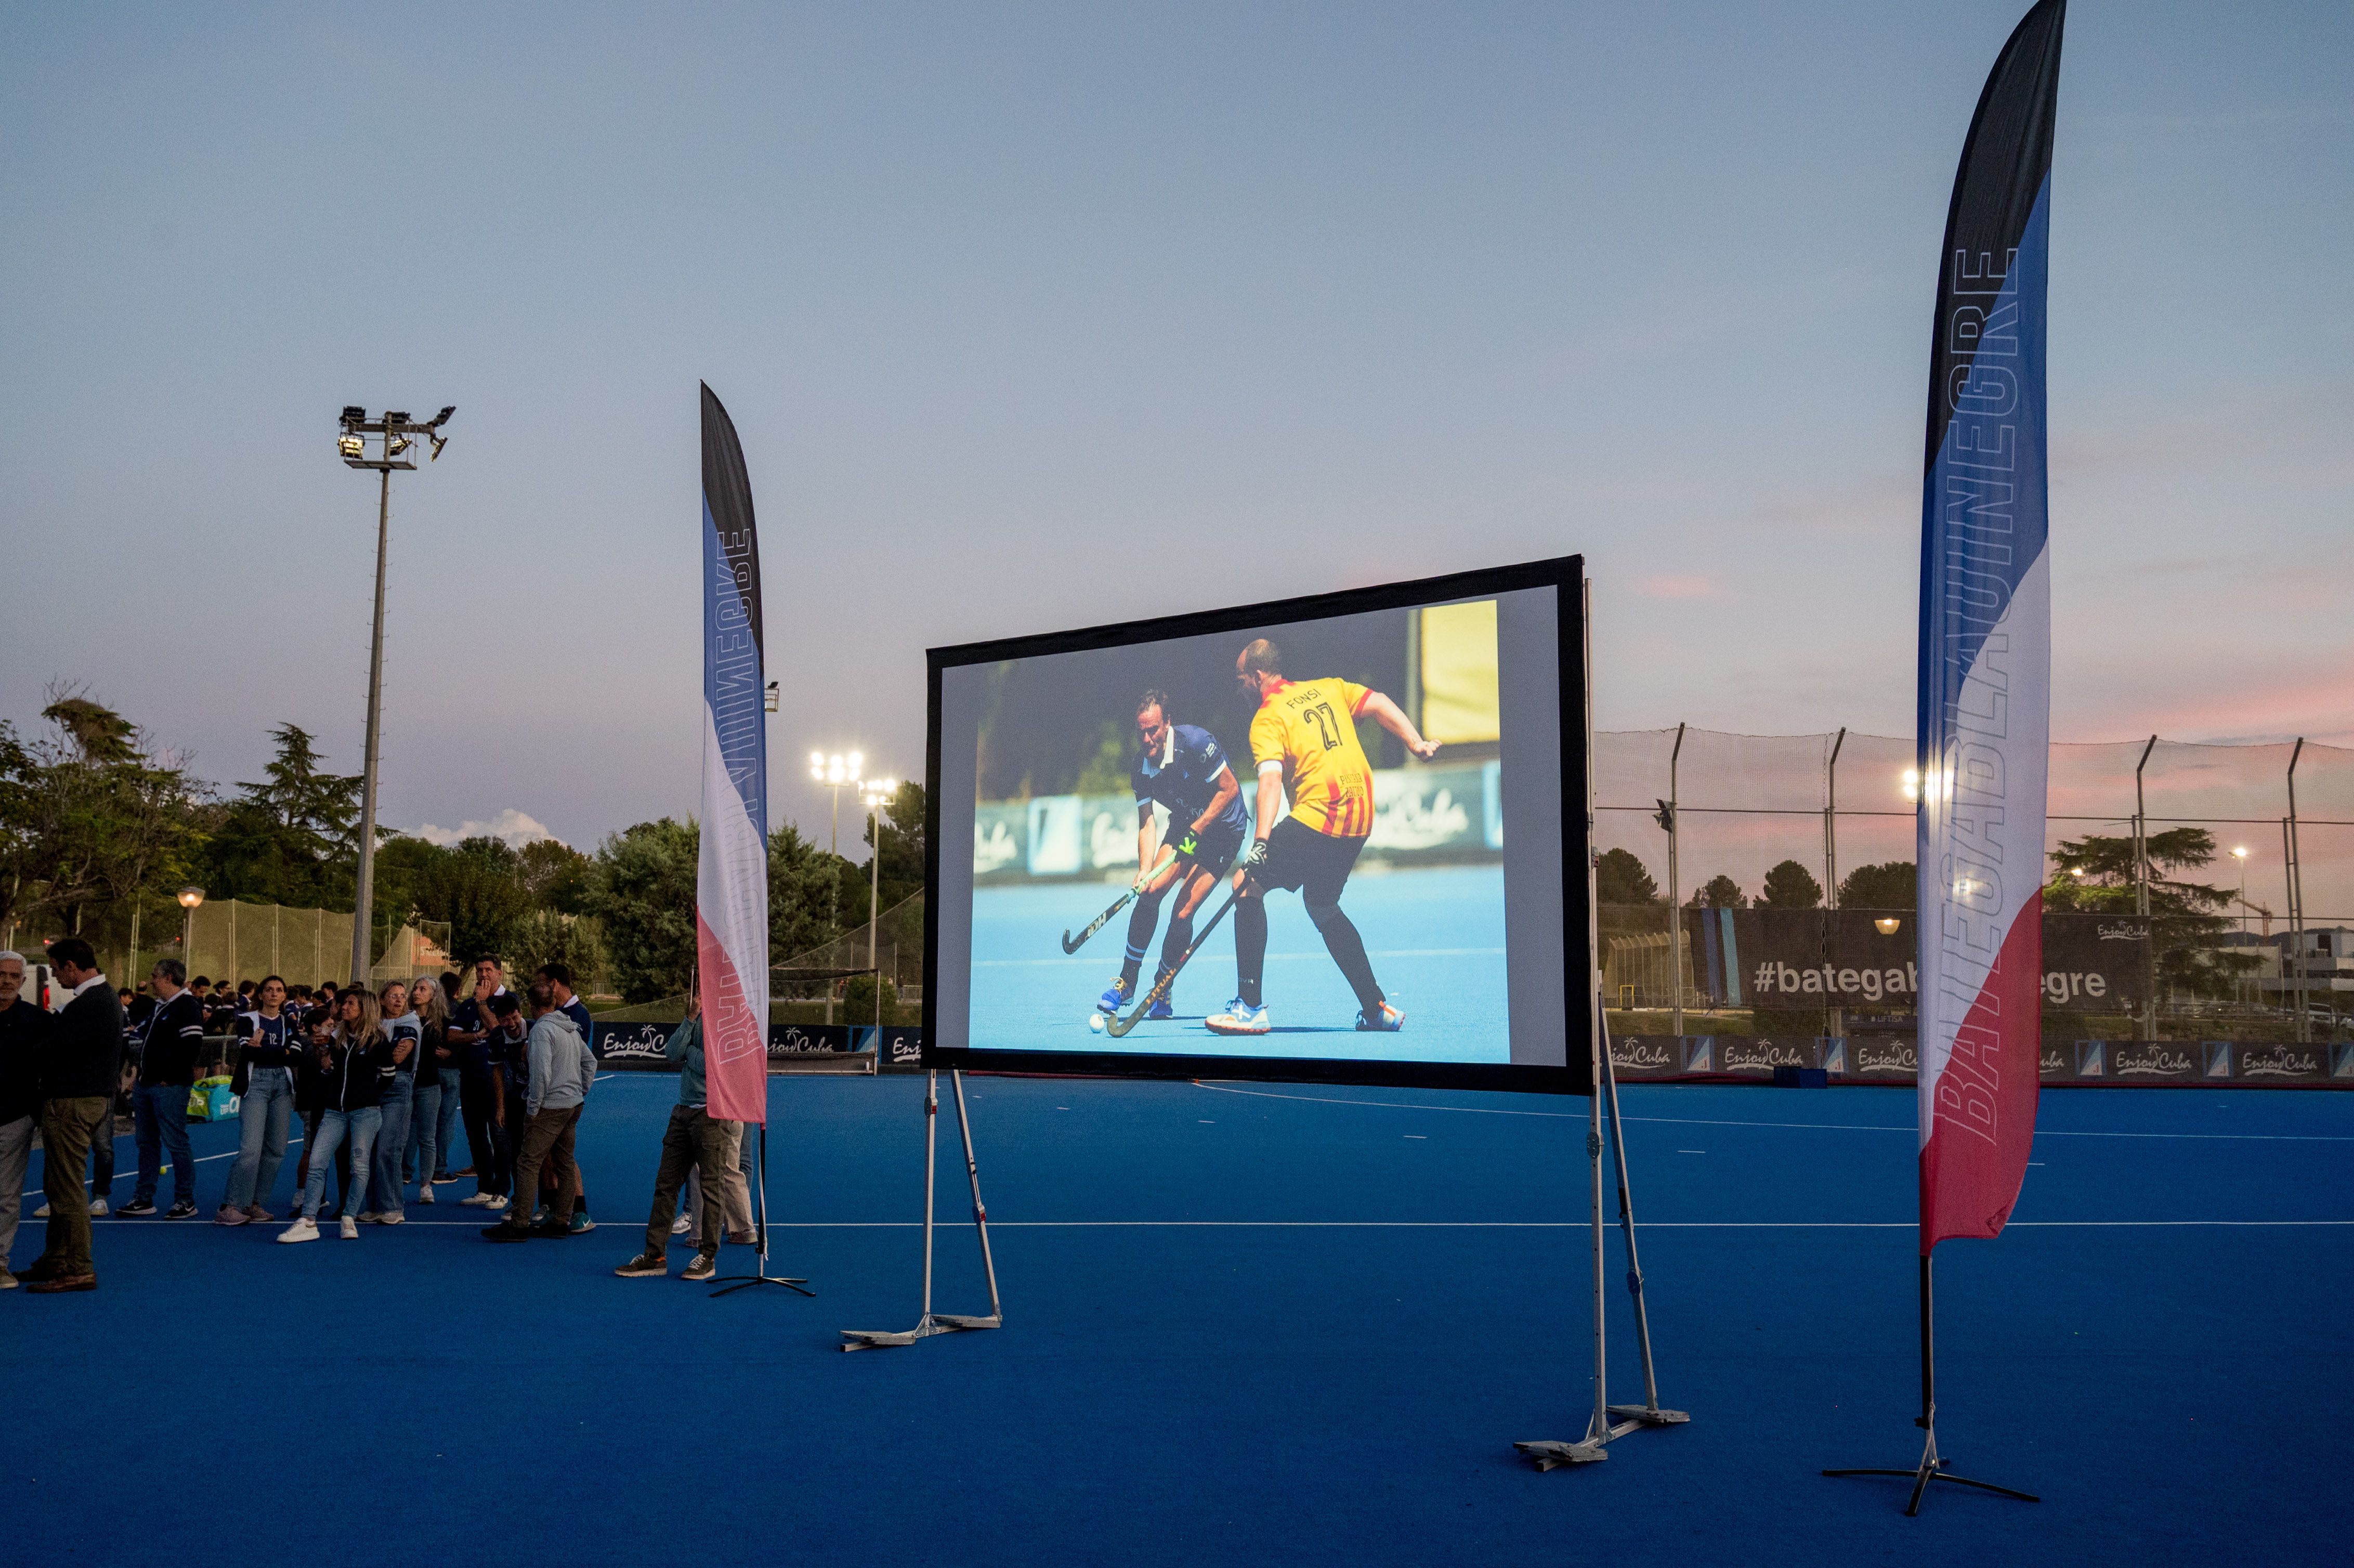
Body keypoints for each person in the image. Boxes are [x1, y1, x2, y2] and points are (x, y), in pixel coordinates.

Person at [1207, 638, 1438, 1037]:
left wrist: (1260, 842)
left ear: (1257, 677)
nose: (1239, 688)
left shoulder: (1267, 717)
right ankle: (1376, 1008)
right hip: (1361, 813)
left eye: (1240, 679)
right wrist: (1414, 742)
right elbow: (1380, 702)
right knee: (1322, 904)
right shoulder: (1329, 687)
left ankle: (1249, 1007)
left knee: (1246, 885)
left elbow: (1270, 781)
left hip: (1322, 812)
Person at [1095, 688, 1248, 1021]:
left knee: (1181, 912)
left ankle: (1162, 987)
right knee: (1149, 891)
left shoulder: (1195, 744)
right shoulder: (1140, 767)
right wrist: (1143, 869)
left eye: (1153, 730)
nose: (1147, 738)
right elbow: (1146, 823)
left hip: (1223, 828)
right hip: (1185, 824)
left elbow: (1230, 789)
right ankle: (1127, 983)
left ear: (1167, 723)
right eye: (1141, 731)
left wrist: (1200, 828)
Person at [615, 990, 742, 1282]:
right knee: (665, 1185)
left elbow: (714, 1066)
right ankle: (655, 1255)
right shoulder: (695, 1019)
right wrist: (689, 1019)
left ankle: (708, 1256)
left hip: (712, 1115)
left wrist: (690, 1052)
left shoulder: (728, 1024)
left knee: (711, 1187)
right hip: (683, 1112)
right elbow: (672, 1052)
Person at [22, 938, 124, 1292]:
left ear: (71, 966)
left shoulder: (92, 1004)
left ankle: (78, 1266)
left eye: (54, 968)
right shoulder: (102, 999)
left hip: (73, 1103)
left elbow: (54, 1049)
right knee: (58, 1184)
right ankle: (57, 1258)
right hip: (84, 1100)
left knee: (66, 1190)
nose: (53, 976)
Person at [279, 988, 395, 1243]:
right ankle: (308, 1220)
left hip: (365, 1112)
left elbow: (389, 1076)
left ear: (364, 1008)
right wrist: (324, 1064)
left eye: (351, 1004)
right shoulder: (336, 1037)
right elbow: (330, 1072)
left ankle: (349, 1216)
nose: (344, 1008)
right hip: (334, 1112)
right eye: (344, 1004)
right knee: (318, 1160)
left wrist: (367, 1096)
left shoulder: (378, 1040)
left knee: (359, 1165)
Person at [483, 982, 596, 1243]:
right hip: (572, 1104)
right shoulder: (569, 1027)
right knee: (565, 1162)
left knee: (527, 1162)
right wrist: (582, 1090)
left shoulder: (542, 1031)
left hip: (551, 1106)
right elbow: (590, 1062)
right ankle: (560, 1221)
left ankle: (519, 1224)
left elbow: (541, 1073)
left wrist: (533, 1108)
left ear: (531, 1007)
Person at [122, 958, 204, 1219]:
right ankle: (144, 1198)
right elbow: (139, 1035)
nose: (152, 980)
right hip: (147, 1084)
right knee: (146, 1143)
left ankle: (185, 1200)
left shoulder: (187, 1006)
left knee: (176, 1142)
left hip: (169, 1087)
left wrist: (170, 1077)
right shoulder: (160, 1007)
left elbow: (192, 1046)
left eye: (155, 975)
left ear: (169, 977)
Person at [219, 976, 298, 1224]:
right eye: (269, 990)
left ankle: (255, 1203)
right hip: (256, 1085)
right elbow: (248, 1051)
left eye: (279, 990)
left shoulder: (289, 1022)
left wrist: (265, 1050)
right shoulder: (247, 1020)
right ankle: (230, 1206)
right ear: (261, 995)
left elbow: (295, 1055)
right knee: (250, 1149)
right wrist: (280, 1052)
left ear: (284, 996)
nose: (274, 994)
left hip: (282, 1086)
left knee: (277, 1149)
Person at [534, 962, 598, 1233]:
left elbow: (583, 1058)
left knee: (563, 1156)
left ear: (555, 984)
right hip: (554, 1098)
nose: (540, 989)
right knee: (548, 1154)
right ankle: (552, 1207)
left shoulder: (577, 1015)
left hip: (563, 1099)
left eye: (543, 983)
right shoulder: (557, 1013)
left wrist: (580, 1090)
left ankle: (580, 1211)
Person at [0, 950, 50, 1289]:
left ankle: (0, 1263)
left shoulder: (37, 1021)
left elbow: (50, 1070)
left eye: (13, 977)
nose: (5, 981)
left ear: (23, 981)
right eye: (1, 975)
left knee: (6, 1196)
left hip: (15, 1120)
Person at [449, 958, 512, 1210]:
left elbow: (497, 1030)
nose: (483, 975)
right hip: (471, 1079)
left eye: (488, 970)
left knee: (499, 1134)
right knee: (475, 1136)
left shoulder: (508, 1002)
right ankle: (485, 1187)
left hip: (497, 1082)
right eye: (479, 971)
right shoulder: (467, 1005)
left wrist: (483, 1003)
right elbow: (452, 1036)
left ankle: (502, 1190)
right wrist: (474, 1036)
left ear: (499, 973)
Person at [361, 979, 419, 1224]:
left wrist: (371, 1058)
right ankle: (375, 1205)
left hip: (398, 1087)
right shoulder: (370, 1026)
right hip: (371, 1088)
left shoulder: (410, 1024)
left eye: (403, 996)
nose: (398, 999)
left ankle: (394, 1207)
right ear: (382, 999)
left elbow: (398, 1056)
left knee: (389, 1147)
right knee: (371, 1150)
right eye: (393, 995)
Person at [402, 976, 453, 1205]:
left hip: (430, 1085)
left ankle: (426, 1185)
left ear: (434, 995)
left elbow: (456, 1047)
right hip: (404, 1084)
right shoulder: (405, 1019)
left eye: (422, 989)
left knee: (427, 1137)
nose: (416, 992)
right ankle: (400, 1175)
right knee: (400, 1134)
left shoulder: (442, 1022)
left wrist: (452, 1054)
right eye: (415, 988)